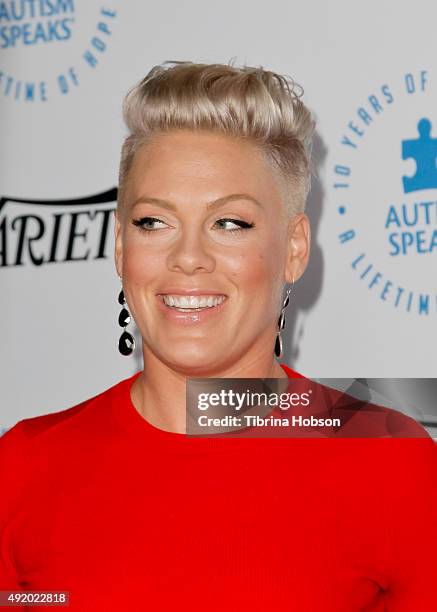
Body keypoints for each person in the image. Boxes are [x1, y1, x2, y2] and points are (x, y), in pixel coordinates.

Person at [0, 61, 436, 611]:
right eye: (153, 222)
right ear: (118, 245)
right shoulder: (23, 466)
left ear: (295, 248)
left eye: (230, 224)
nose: (188, 259)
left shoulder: (389, 462)